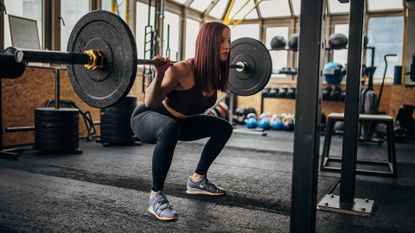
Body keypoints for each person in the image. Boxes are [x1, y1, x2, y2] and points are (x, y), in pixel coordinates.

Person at [130, 22, 233, 221]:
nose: (228, 46)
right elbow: (150, 102)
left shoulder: (214, 72)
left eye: (229, 40)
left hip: (179, 124)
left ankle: (197, 180)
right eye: (221, 41)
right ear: (207, 43)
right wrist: (159, 73)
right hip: (147, 118)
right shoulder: (181, 69)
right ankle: (155, 196)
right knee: (170, 127)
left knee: (223, 127)